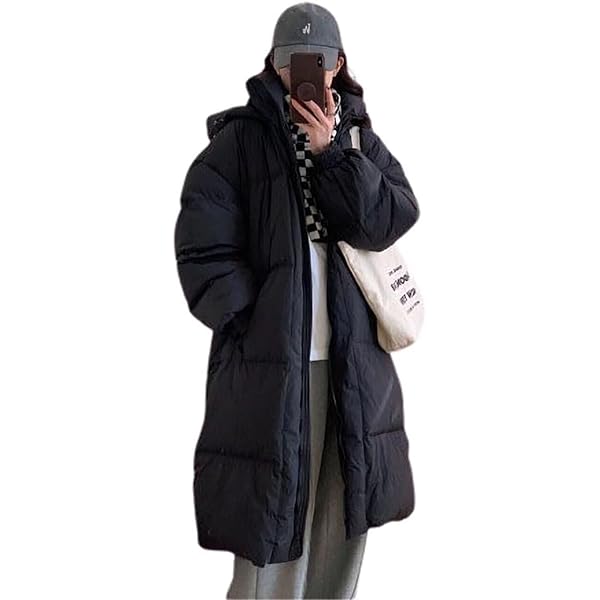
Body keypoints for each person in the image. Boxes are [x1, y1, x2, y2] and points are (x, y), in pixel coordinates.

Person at [174, 3, 420, 598]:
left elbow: (392, 216)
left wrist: (331, 153)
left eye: (317, 61)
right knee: (272, 528)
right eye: (291, 61)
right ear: (274, 65)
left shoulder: (359, 141)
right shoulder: (238, 143)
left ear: (338, 66)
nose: (303, 73)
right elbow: (201, 247)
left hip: (354, 366)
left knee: (341, 523)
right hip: (273, 369)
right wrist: (252, 320)